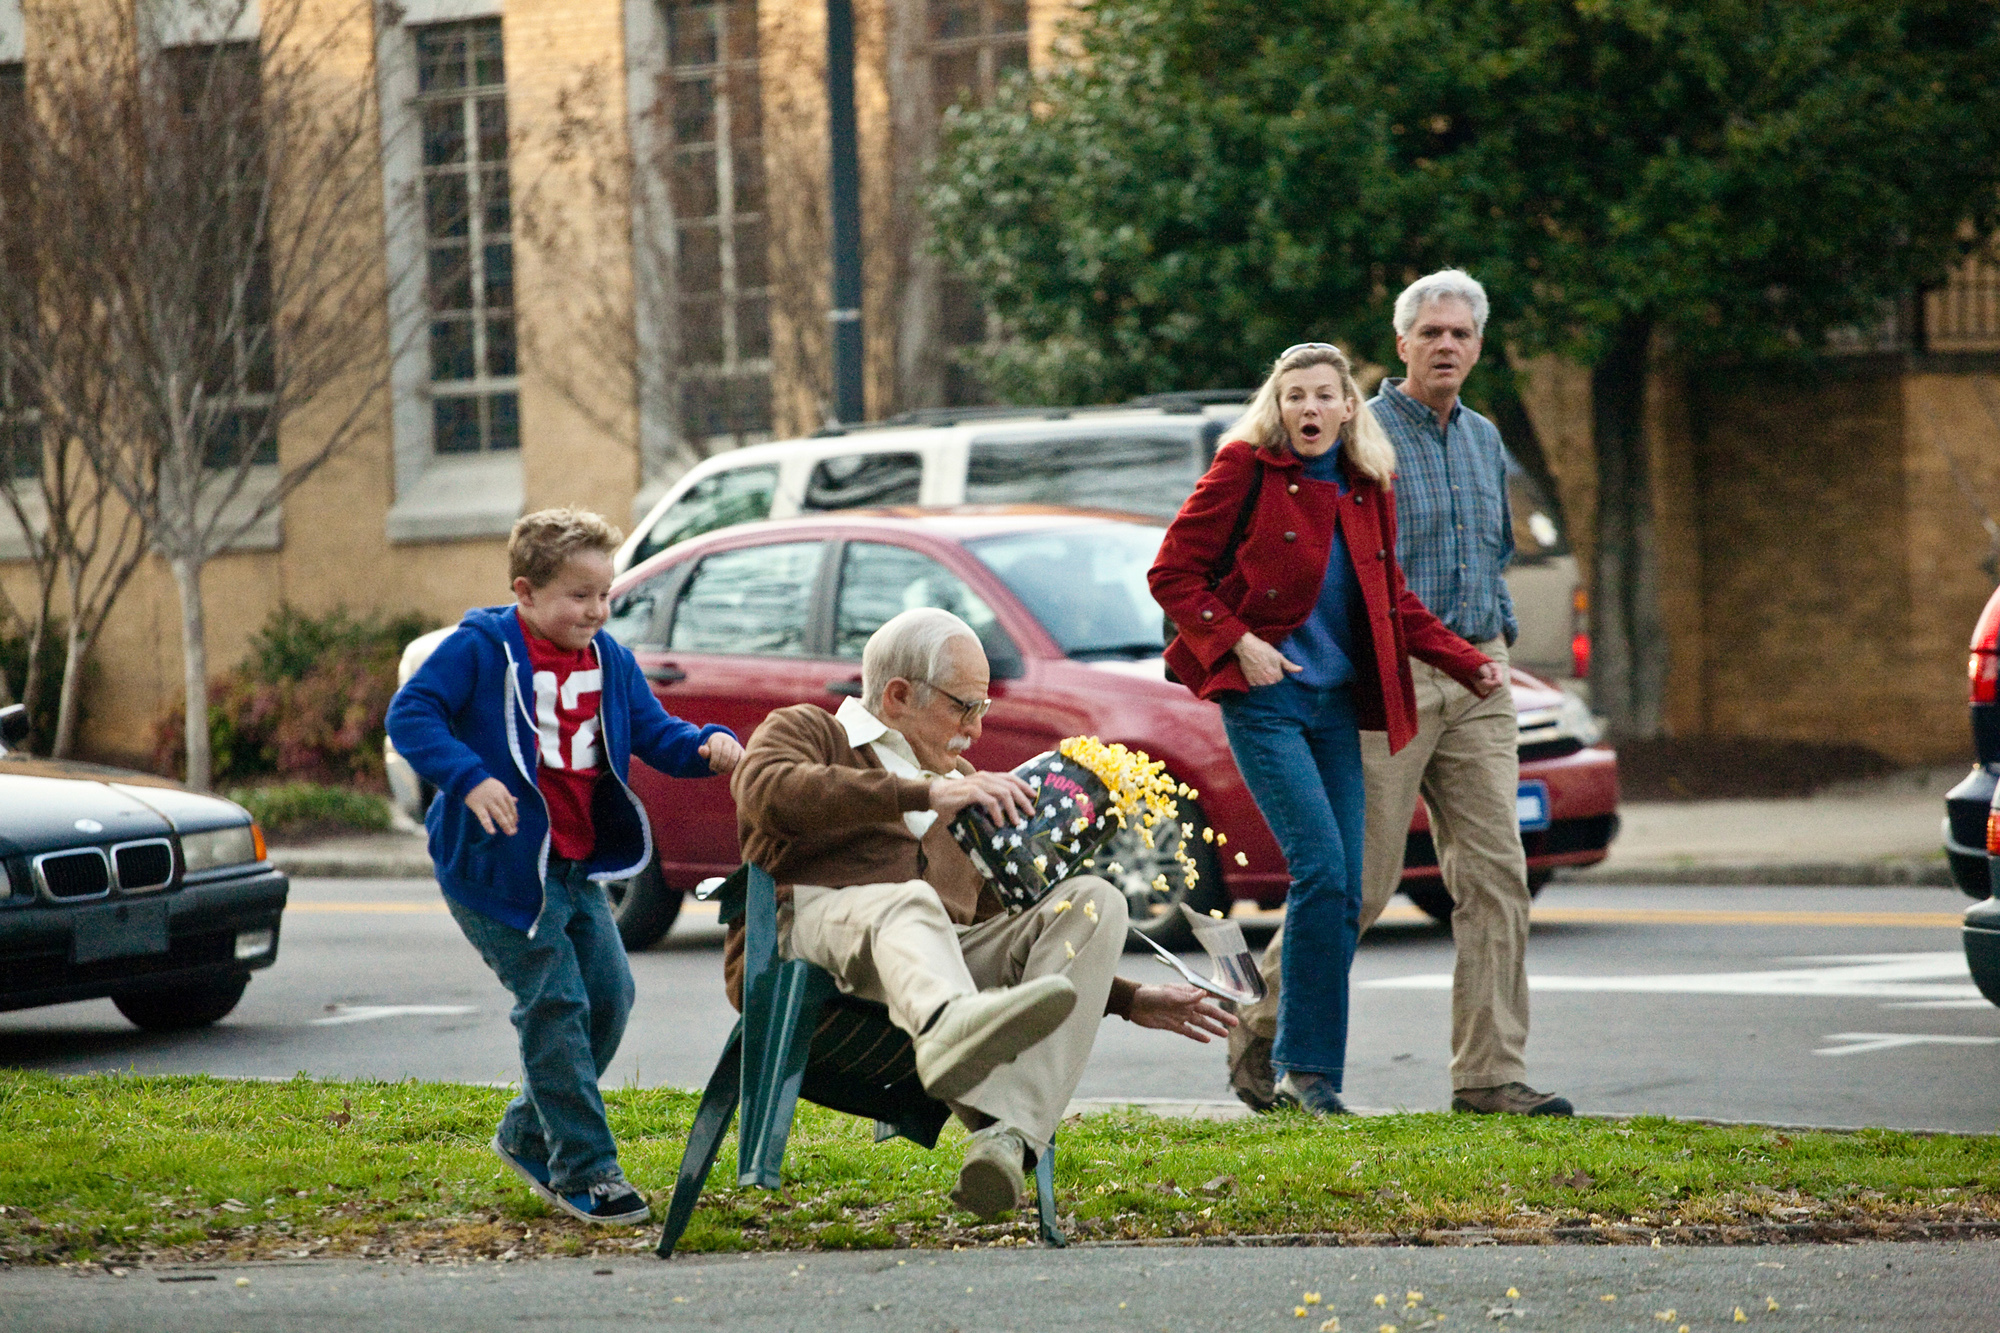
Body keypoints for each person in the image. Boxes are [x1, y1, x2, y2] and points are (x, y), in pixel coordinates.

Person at [727, 607, 1233, 1218]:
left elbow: (1001, 923)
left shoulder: (965, 785)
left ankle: (1005, 1135)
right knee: (909, 901)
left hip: (935, 957)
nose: (975, 729)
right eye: (962, 707)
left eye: (983, 709)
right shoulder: (811, 730)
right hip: (806, 941)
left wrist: (1125, 998)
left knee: (1096, 900)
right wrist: (924, 793)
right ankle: (950, 1028)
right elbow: (767, 792)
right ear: (897, 695)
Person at [1228, 270, 1576, 1119]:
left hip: (1474, 670)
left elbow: (1489, 555)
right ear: (1402, 344)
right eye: (1432, 334)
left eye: (1461, 334)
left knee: (1497, 875)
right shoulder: (1360, 433)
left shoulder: (1487, 440)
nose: (1447, 346)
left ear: (1478, 345)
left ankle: (1490, 1075)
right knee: (1360, 880)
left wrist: (1490, 648)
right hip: (1386, 677)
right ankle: (1263, 1034)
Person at [1149, 343, 1504, 1115]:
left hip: (1339, 706)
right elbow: (1172, 572)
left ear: (1349, 407)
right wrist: (1239, 641)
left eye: (1322, 396)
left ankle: (1300, 1067)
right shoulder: (1244, 469)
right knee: (1324, 872)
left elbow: (1392, 602)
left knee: (1344, 893)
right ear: (1278, 409)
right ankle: (1304, 1074)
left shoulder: (1366, 486)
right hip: (1266, 702)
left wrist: (1465, 659)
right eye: (1293, 396)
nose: (1308, 409)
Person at [385, 508, 744, 1225]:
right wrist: (469, 776)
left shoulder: (608, 658)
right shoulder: (482, 648)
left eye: (603, 594)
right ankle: (584, 1169)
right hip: (500, 870)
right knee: (554, 1003)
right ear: (525, 591)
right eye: (578, 595)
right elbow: (412, 713)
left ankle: (525, 1133)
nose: (595, 609)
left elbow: (654, 733)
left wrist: (708, 743)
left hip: (577, 868)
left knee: (609, 999)